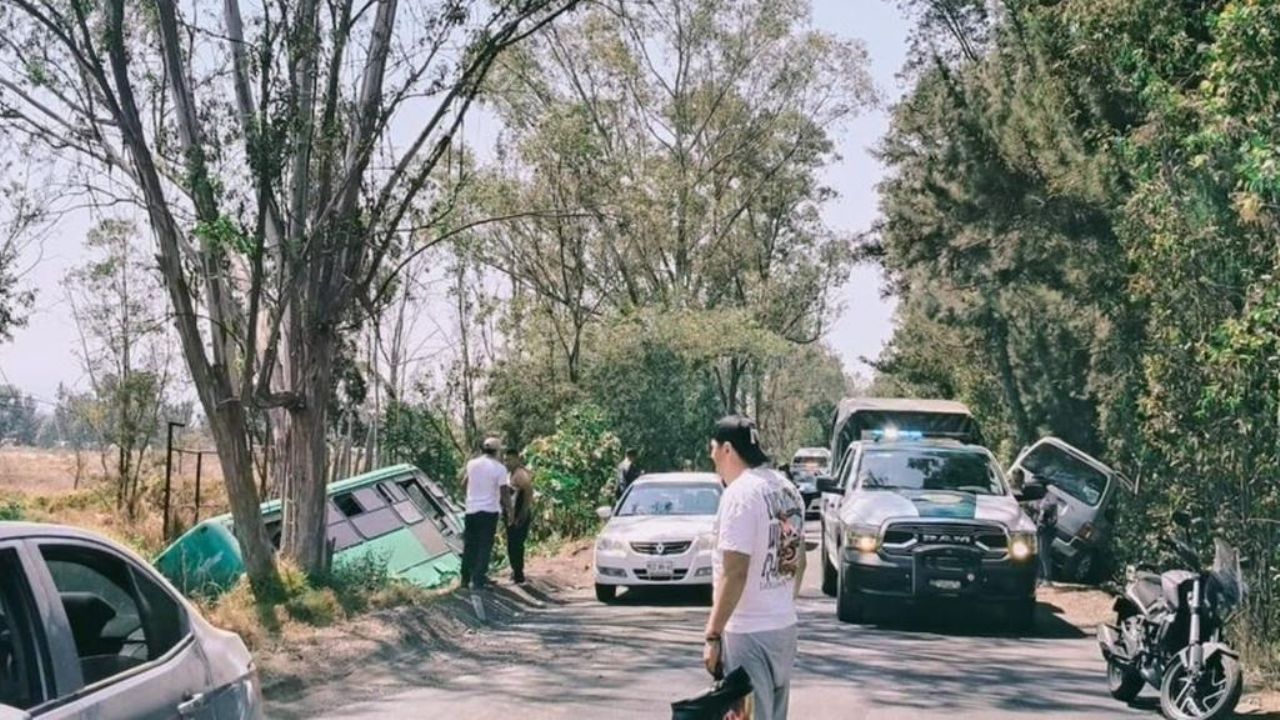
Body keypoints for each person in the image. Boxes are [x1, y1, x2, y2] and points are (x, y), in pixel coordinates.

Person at [702, 415, 805, 720]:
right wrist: (781, 602)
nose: (712, 457)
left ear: (728, 450)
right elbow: (800, 561)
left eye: (713, 448)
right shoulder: (787, 488)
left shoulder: (739, 494)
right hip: (784, 628)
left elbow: (735, 572)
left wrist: (713, 634)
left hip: (748, 634)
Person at [460, 437, 512, 590]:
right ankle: (478, 579)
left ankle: (465, 578)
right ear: (497, 451)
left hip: (471, 510)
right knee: (484, 545)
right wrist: (510, 510)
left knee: (470, 545)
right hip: (489, 511)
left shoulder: (472, 464)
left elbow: (464, 484)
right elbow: (504, 492)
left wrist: (471, 498)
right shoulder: (500, 469)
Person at [505, 448, 535, 585]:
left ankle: (519, 573)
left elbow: (528, 491)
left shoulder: (520, 474)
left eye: (510, 459)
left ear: (517, 459)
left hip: (519, 513)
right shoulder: (509, 474)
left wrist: (523, 513)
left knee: (517, 544)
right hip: (510, 514)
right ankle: (515, 570)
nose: (507, 462)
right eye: (506, 460)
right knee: (511, 543)